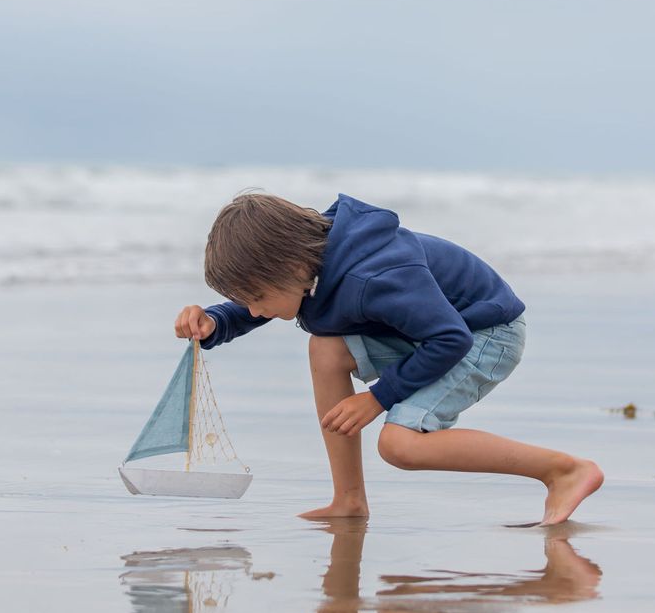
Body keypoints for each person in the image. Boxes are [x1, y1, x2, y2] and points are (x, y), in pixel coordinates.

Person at [174, 191, 603, 525]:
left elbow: (449, 339)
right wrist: (216, 322)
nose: (252, 309)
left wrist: (378, 397)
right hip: (432, 330)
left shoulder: (376, 275)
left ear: (289, 267)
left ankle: (563, 471)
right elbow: (270, 305)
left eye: (254, 297)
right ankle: (348, 500)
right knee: (326, 348)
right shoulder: (312, 264)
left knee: (400, 445)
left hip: (484, 335)